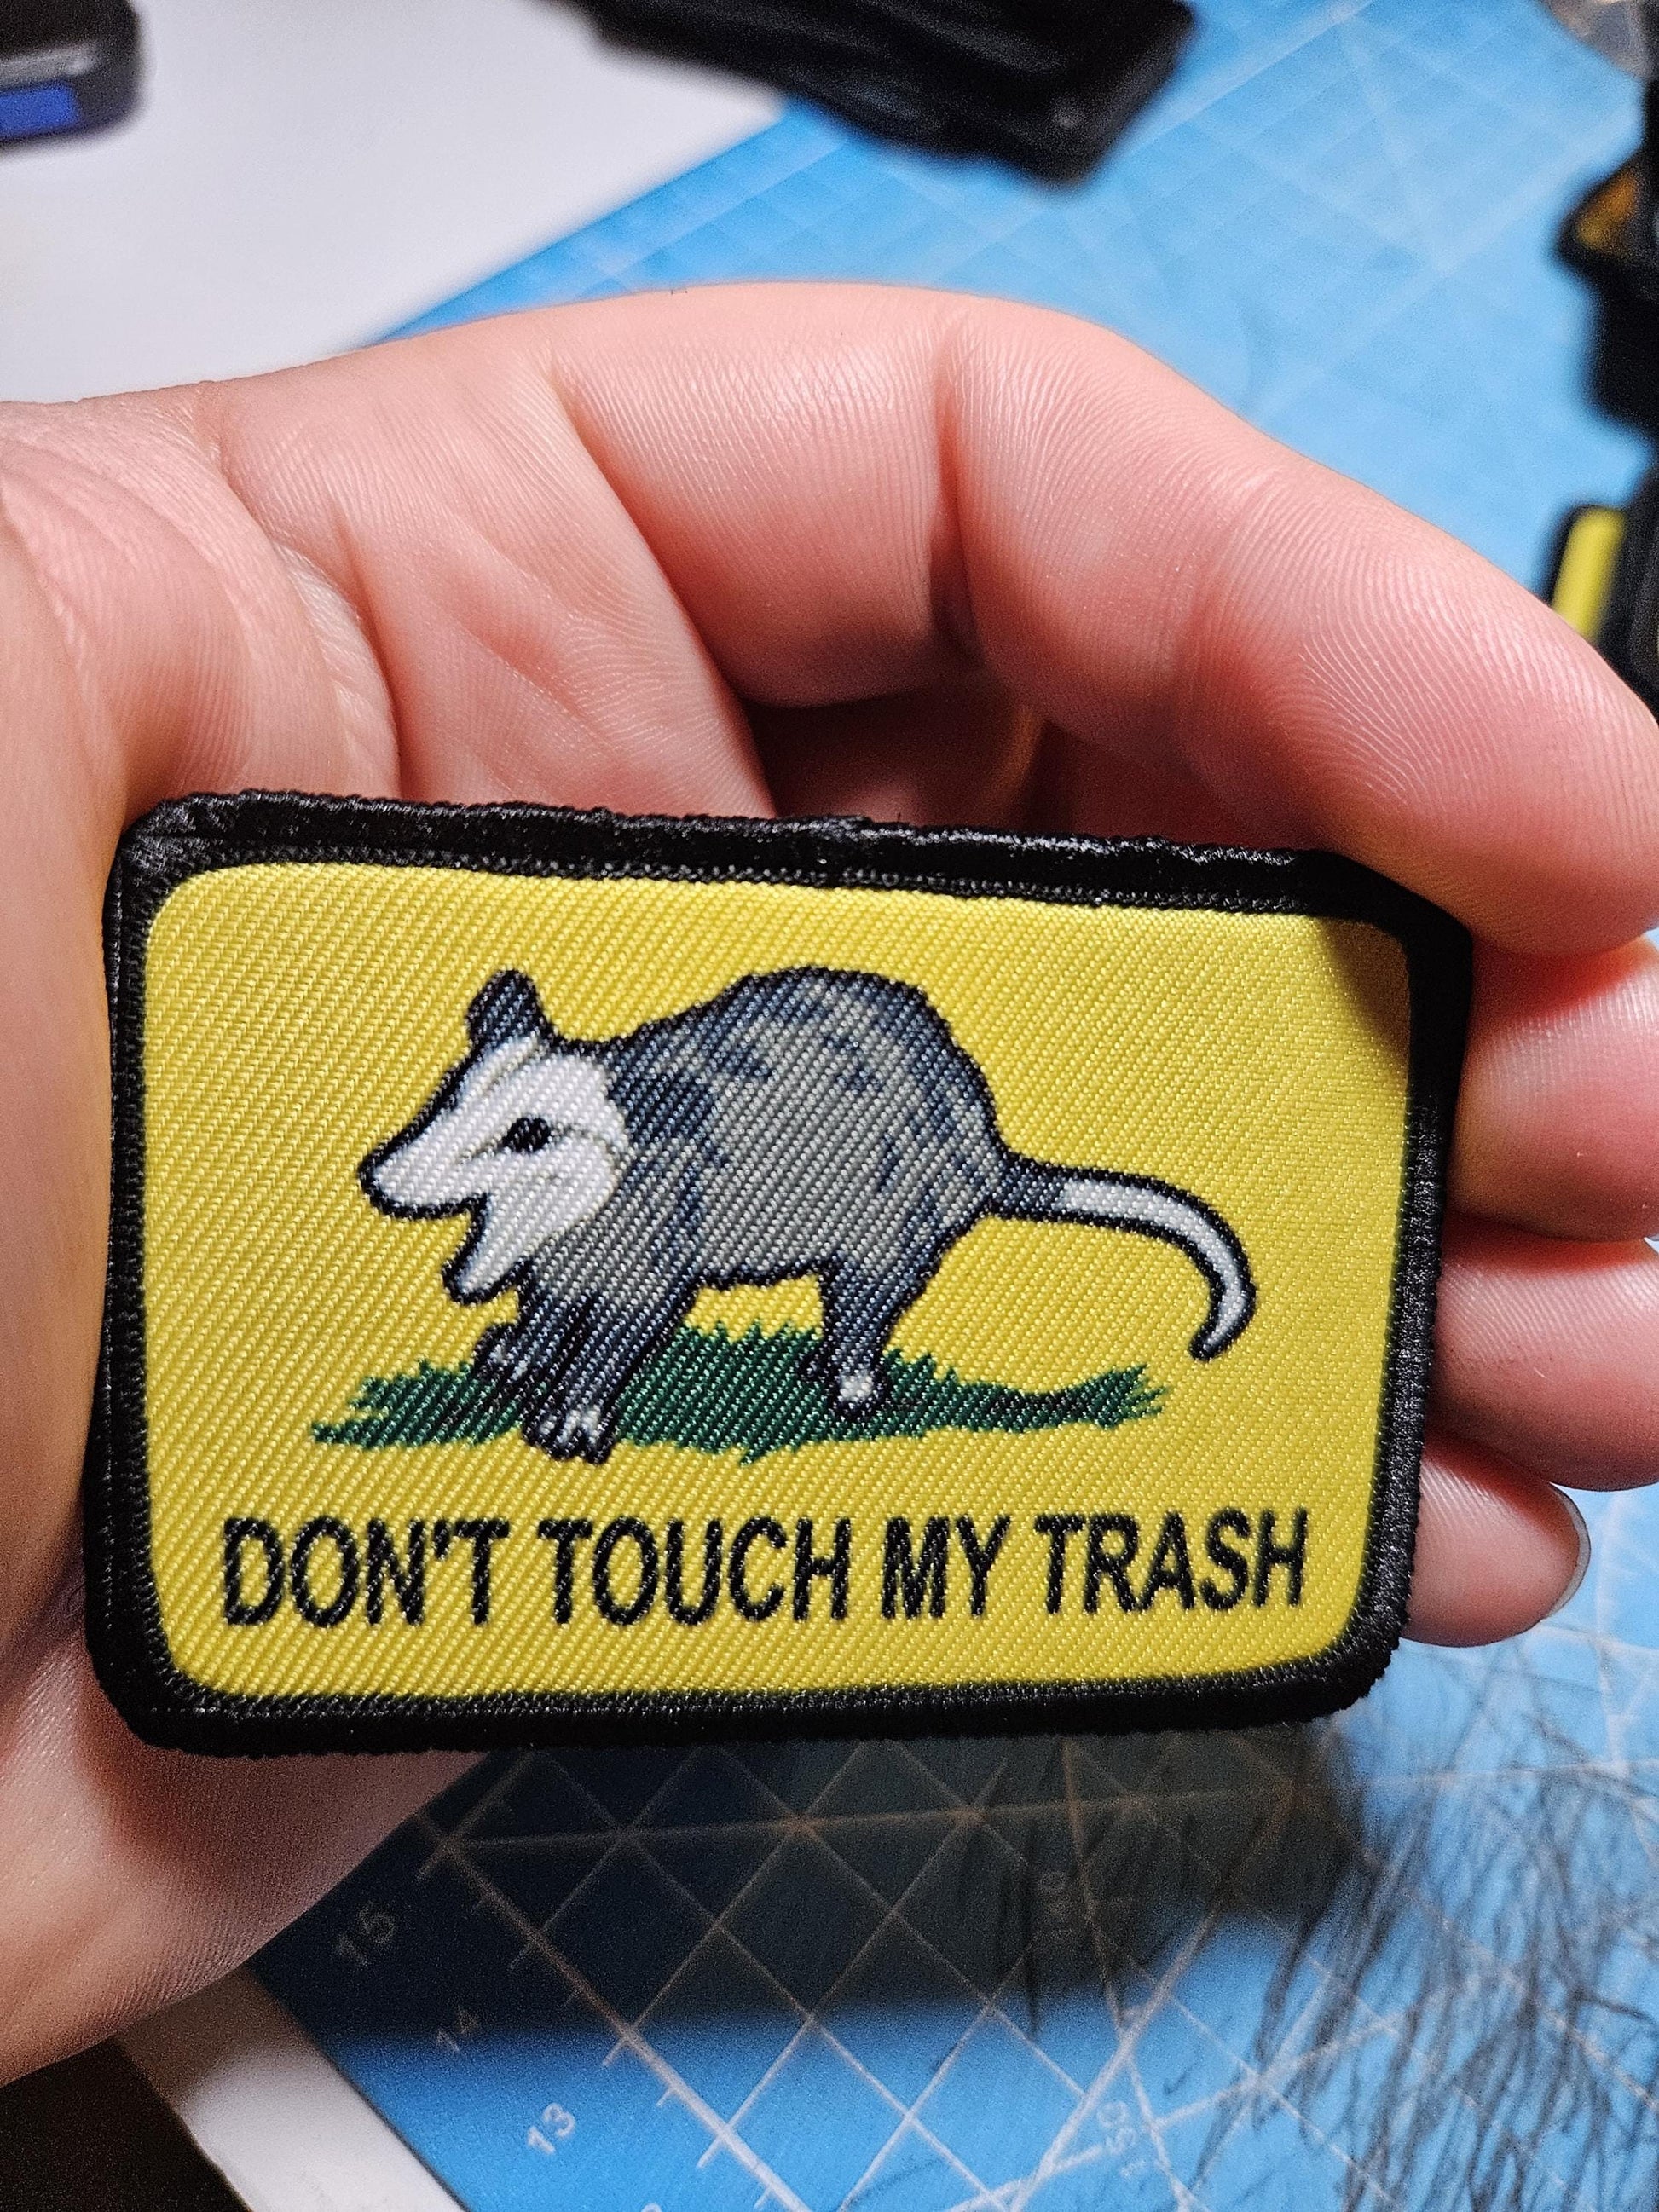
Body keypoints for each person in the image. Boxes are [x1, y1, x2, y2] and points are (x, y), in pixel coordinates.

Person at [0, 286, 1654, 2080]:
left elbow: (632, 1275)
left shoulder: (643, 1177)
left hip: (883, 1151)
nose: (460, 1191)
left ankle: (850, 1360)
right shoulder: (500, 1097)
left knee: (800, 1292)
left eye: (510, 1155)